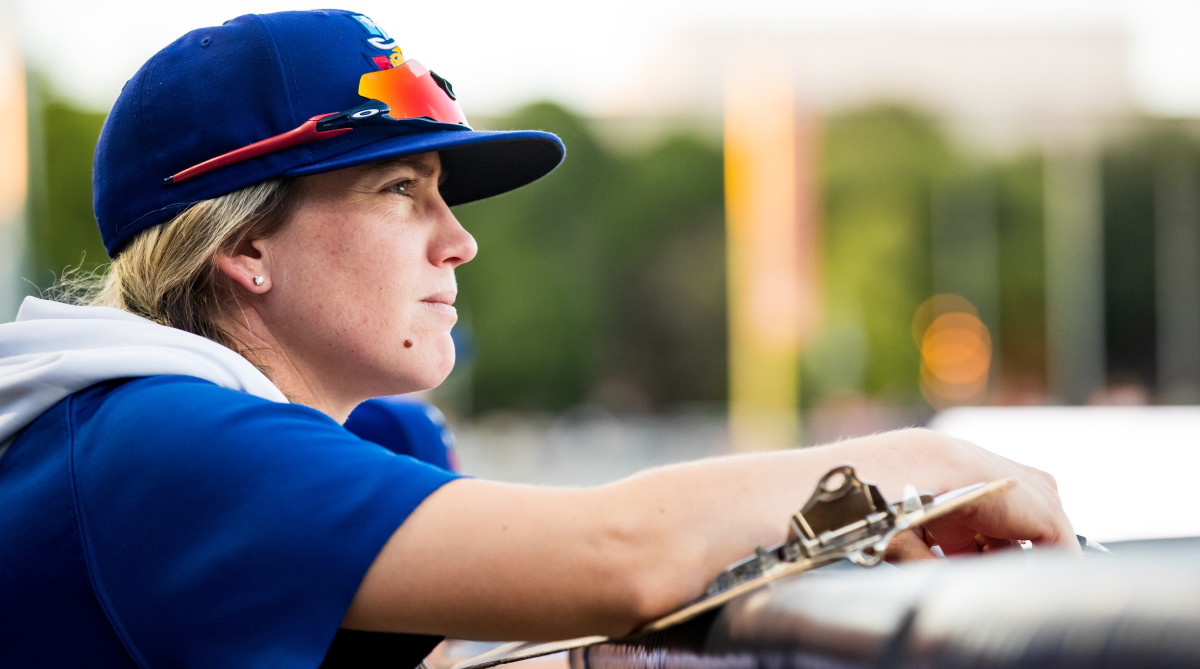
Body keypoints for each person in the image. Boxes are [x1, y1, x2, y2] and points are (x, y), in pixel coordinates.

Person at [0, 9, 1075, 669]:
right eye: (398, 190)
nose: (459, 243)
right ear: (245, 248)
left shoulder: (359, 438)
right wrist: (925, 464)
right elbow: (622, 554)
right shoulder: (161, 439)